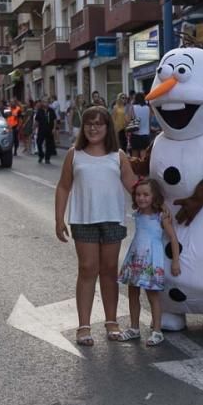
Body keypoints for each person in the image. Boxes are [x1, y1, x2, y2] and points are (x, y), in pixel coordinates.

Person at [54, 106, 138, 346]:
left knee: (110, 270)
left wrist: (156, 203)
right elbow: (63, 187)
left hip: (112, 219)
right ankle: (84, 325)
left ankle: (112, 321)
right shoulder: (74, 154)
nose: (93, 128)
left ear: (107, 128)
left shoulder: (118, 156)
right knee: (88, 269)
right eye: (89, 123)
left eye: (99, 123)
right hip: (83, 220)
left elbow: (133, 184)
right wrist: (59, 219)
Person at [115, 179, 180, 347]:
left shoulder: (161, 216)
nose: (141, 198)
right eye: (138, 195)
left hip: (151, 259)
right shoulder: (137, 214)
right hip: (135, 257)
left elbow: (173, 238)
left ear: (154, 196)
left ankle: (157, 331)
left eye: (146, 195)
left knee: (153, 296)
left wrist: (175, 262)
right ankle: (134, 328)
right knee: (132, 293)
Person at [35, 97, 58, 164]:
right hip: (41, 129)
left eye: (47, 102)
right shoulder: (40, 111)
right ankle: (41, 155)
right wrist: (34, 129)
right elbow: (37, 121)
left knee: (49, 144)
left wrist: (54, 128)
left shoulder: (51, 110)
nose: (46, 103)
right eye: (44, 102)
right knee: (39, 143)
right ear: (42, 103)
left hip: (49, 129)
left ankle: (47, 158)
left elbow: (54, 120)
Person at [129, 92, 151, 158]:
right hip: (145, 134)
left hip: (135, 133)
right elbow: (149, 121)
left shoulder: (133, 107)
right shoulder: (148, 108)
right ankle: (143, 168)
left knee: (134, 156)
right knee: (143, 155)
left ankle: (135, 168)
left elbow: (131, 119)